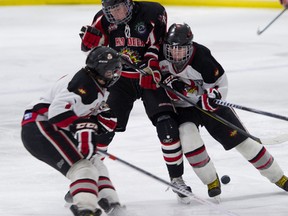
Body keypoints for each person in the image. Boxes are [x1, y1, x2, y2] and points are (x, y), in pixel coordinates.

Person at [79, 0, 197, 203]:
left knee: (167, 125)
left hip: (148, 78)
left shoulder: (153, 12)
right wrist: (90, 44)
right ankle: (88, 180)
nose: (114, 13)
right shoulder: (102, 17)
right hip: (120, 80)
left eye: (118, 7)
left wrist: (152, 65)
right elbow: (93, 50)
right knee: (104, 127)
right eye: (111, 10)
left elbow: (158, 45)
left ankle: (177, 179)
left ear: (129, 3)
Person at [159, 23, 288, 194]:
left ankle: (280, 177)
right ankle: (211, 181)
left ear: (189, 47)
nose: (175, 54)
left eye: (180, 49)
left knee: (244, 142)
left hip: (208, 106)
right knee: (189, 140)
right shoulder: (159, 56)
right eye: (171, 49)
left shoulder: (202, 58)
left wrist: (214, 96)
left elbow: (221, 84)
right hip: (183, 109)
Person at [21, 46, 125, 216]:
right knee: (84, 168)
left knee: (96, 165)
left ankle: (111, 202)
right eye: (110, 70)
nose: (115, 74)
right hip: (40, 126)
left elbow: (93, 115)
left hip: (52, 127)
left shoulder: (96, 84)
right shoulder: (83, 84)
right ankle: (85, 209)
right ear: (99, 69)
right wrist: (84, 127)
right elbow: (57, 112)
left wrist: (96, 123)